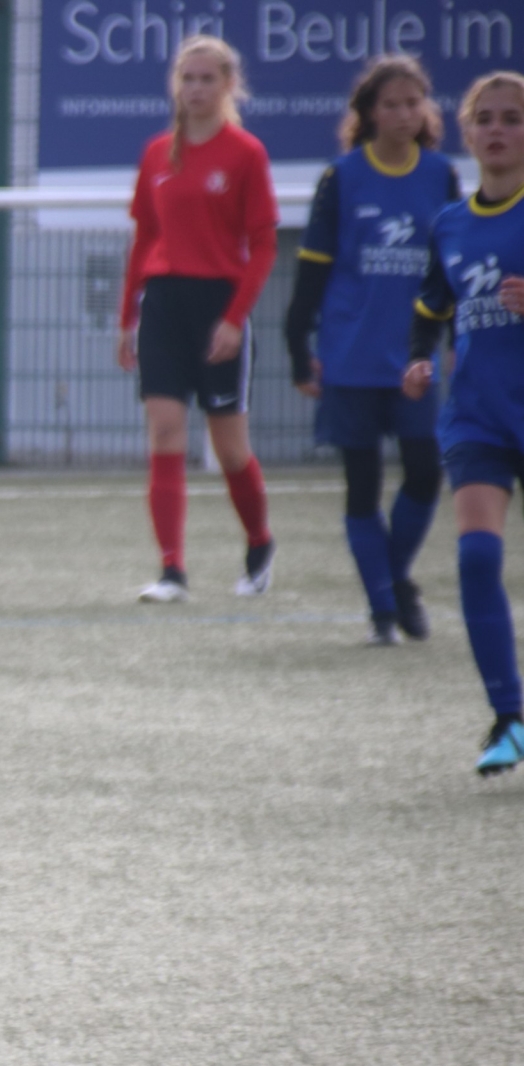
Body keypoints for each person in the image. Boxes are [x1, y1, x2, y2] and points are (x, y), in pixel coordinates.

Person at [285, 56, 459, 645]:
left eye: (414, 103)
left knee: (425, 473)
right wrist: (297, 343)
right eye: (391, 104)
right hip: (351, 355)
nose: (404, 114)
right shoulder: (341, 178)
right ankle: (384, 610)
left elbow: (452, 271)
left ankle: (396, 580)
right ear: (369, 113)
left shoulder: (440, 176)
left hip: (413, 358)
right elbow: (313, 270)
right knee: (361, 486)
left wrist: (458, 341)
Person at [117, 34, 280, 603]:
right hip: (163, 304)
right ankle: (172, 571)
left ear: (229, 85)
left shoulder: (245, 153)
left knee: (229, 446)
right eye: (187, 78)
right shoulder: (157, 153)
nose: (196, 89)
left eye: (207, 78)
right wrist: (126, 318)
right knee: (164, 430)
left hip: (217, 306)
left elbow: (263, 245)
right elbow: (145, 238)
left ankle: (259, 543)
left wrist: (234, 319)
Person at [404, 71, 524, 774]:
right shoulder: (450, 224)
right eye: (486, 119)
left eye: (512, 118)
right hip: (478, 418)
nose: (498, 129)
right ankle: (509, 718)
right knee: (477, 559)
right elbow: (431, 308)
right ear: (469, 133)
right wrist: (419, 358)